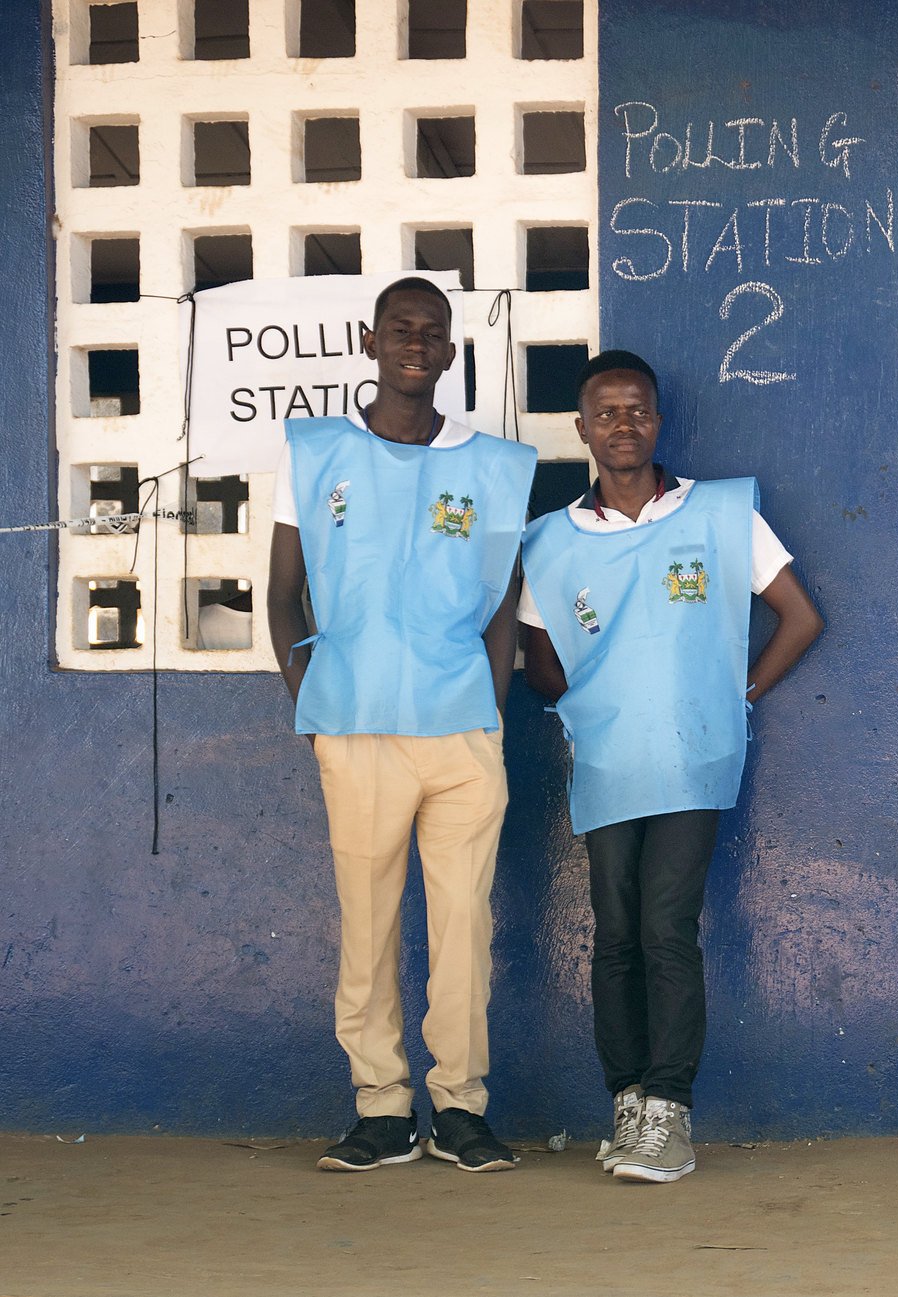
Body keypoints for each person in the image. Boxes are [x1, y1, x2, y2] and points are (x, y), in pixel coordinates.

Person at [520, 350, 823, 1184]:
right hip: (610, 758)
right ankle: (625, 1099)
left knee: (664, 926)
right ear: (581, 429)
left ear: (659, 422)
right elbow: (539, 659)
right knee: (614, 935)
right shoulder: (551, 542)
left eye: (638, 410)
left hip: (694, 755)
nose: (624, 425)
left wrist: (741, 694)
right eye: (606, 413)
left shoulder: (720, 514)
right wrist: (589, 700)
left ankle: (670, 1113)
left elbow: (800, 617)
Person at [267, 277, 537, 1173]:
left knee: (465, 927)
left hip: (460, 735)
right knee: (368, 923)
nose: (415, 343)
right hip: (355, 728)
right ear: (372, 341)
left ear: (451, 352)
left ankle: (461, 1108)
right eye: (399, 329)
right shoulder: (312, 453)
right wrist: (313, 699)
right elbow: (280, 593)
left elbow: (502, 605)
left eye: (432, 332)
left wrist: (490, 711)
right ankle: (381, 1109)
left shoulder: (492, 464)